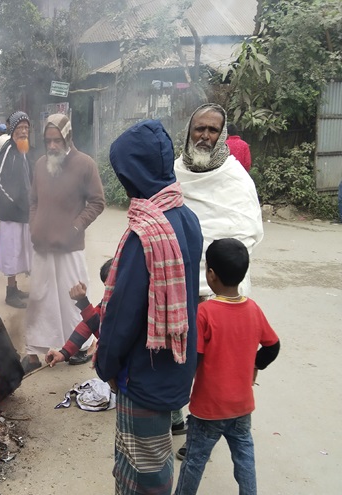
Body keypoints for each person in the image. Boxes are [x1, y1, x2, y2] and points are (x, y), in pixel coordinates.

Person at [96, 120, 203, 494]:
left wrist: (105, 364)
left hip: (142, 371)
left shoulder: (145, 233)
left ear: (132, 172)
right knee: (154, 459)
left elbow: (122, 314)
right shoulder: (186, 217)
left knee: (139, 468)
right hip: (176, 364)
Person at [174, 238, 281, 495]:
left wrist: (179, 387)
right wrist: (254, 364)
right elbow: (273, 346)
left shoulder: (205, 312)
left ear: (211, 275)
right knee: (244, 457)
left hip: (209, 408)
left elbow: (195, 358)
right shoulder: (253, 309)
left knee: (195, 460)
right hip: (242, 405)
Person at [22, 114, 105, 373]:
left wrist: (74, 227)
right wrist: (34, 226)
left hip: (70, 246)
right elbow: (33, 200)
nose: (52, 146)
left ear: (68, 138)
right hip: (43, 245)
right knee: (41, 295)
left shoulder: (85, 164)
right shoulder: (39, 165)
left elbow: (97, 202)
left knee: (73, 296)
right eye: (48, 141)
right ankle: (37, 346)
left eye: (57, 140)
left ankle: (80, 346)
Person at [174, 103, 264, 299]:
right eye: (199, 129)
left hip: (223, 290)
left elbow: (246, 234)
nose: (205, 136)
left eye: (213, 130)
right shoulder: (173, 174)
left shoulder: (237, 178)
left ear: (222, 135)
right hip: (178, 287)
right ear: (190, 131)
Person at [0, 111, 34, 308]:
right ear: (13, 130)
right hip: (11, 213)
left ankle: (15, 288)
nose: (23, 131)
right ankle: (10, 293)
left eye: (26, 127)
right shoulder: (9, 149)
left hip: (23, 212)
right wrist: (14, 202)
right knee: (12, 253)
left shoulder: (23, 150)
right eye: (20, 128)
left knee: (21, 252)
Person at [45, 258, 112, 367]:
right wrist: (64, 352)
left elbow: (107, 335)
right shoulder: (111, 299)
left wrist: (83, 303)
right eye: (107, 282)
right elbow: (87, 325)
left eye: (114, 279)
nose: (107, 285)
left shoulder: (135, 304)